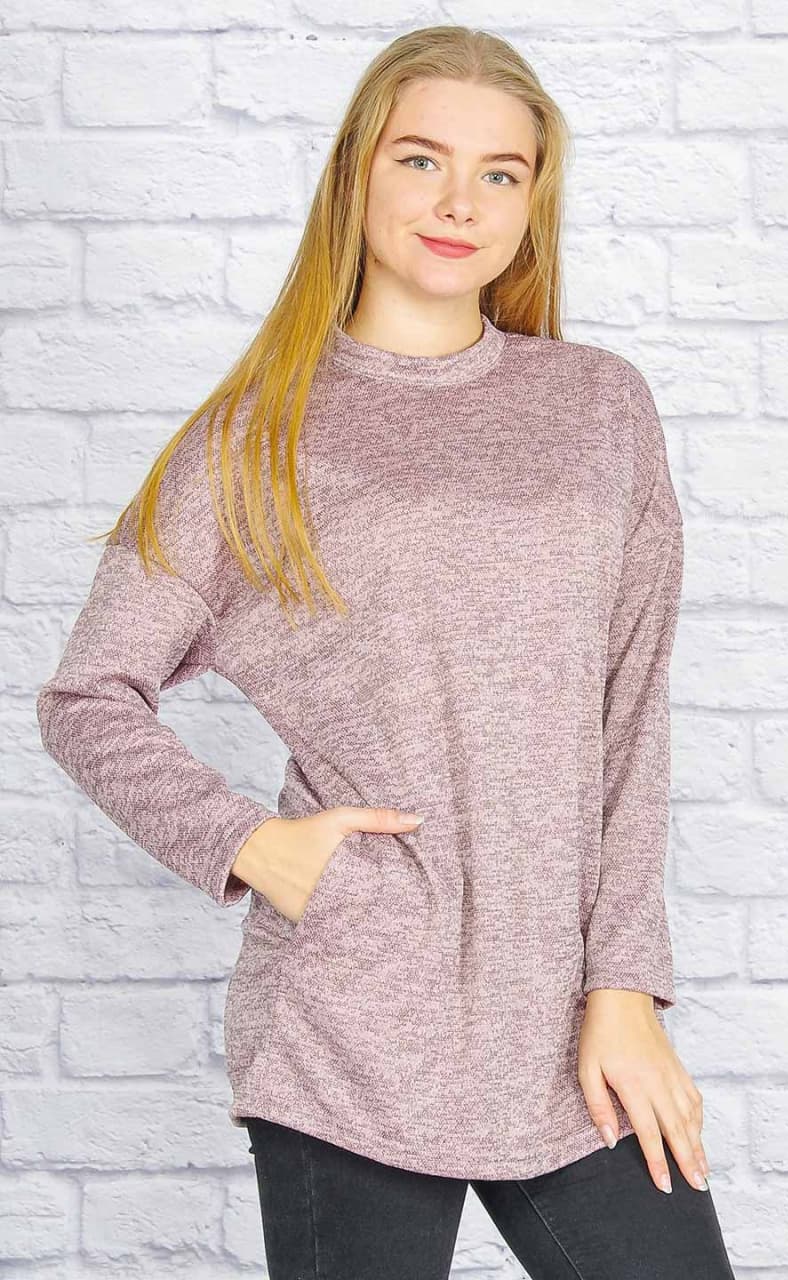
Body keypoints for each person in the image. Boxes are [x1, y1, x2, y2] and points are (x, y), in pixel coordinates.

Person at [35, 23, 736, 1280]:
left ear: (532, 200)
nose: (459, 201)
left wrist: (624, 986)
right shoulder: (253, 440)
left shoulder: (597, 406)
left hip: (568, 1019)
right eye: (420, 159)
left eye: (499, 172)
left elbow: (631, 714)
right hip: (350, 1015)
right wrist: (253, 843)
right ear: (355, 173)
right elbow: (88, 694)